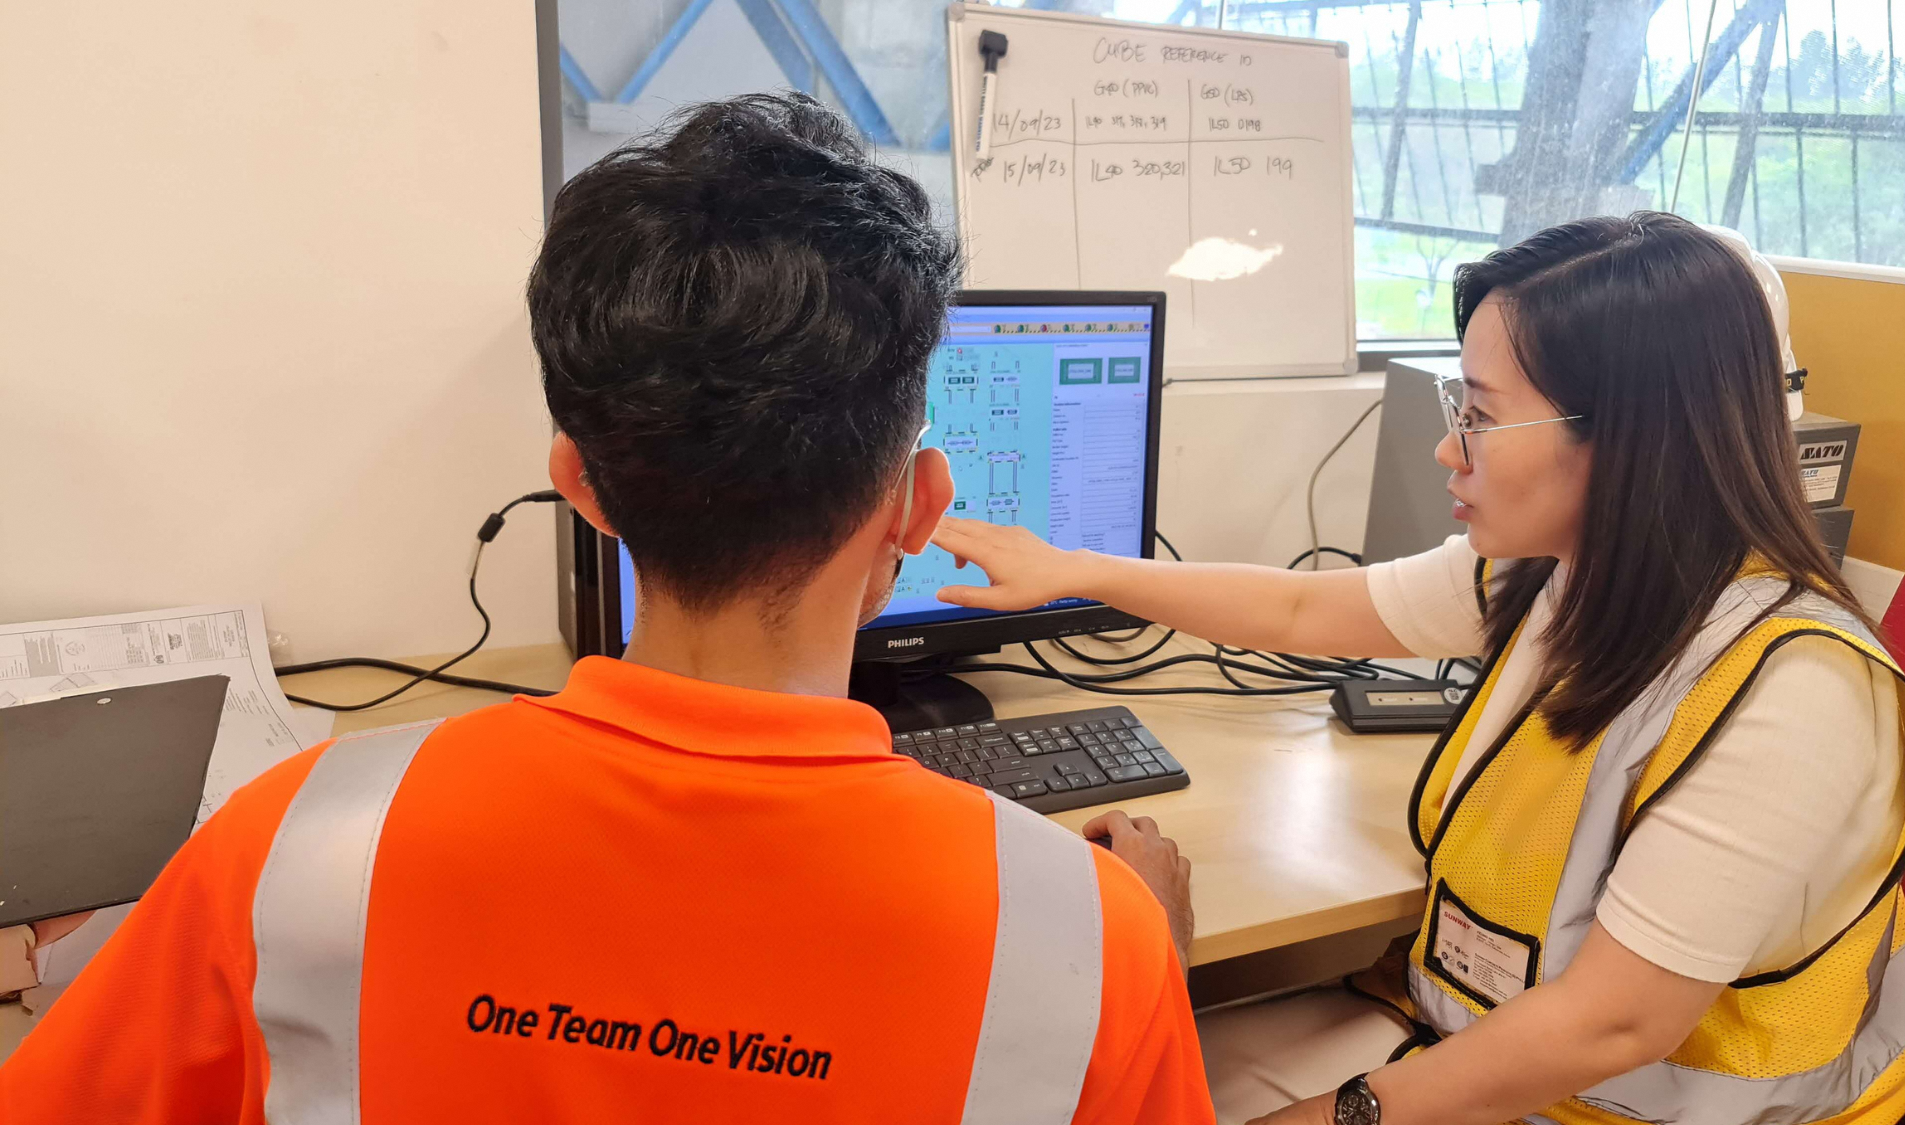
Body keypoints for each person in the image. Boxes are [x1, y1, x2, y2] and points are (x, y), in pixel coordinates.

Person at [0, 92, 1212, 1125]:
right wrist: (1136, 950)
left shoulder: (290, 852)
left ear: (577, 482)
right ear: (917, 507)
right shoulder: (1087, 941)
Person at [930, 213, 1905, 1125]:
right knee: (1089, 1078)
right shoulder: (1561, 573)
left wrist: (1338, 1117)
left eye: (1481, 415)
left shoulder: (1792, 696)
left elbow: (1609, 1029)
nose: (1445, 452)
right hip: (1483, 1044)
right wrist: (1070, 571)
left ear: (1629, 440)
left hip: (1642, 1107)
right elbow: (1301, 608)